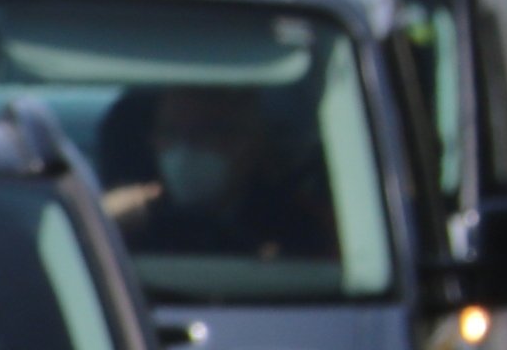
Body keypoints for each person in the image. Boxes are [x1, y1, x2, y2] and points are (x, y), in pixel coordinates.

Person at [102, 83, 339, 261]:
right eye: (171, 133)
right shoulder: (125, 223)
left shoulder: (303, 224)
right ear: (152, 142)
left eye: (206, 134)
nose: (185, 150)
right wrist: (102, 223)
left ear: (249, 142)